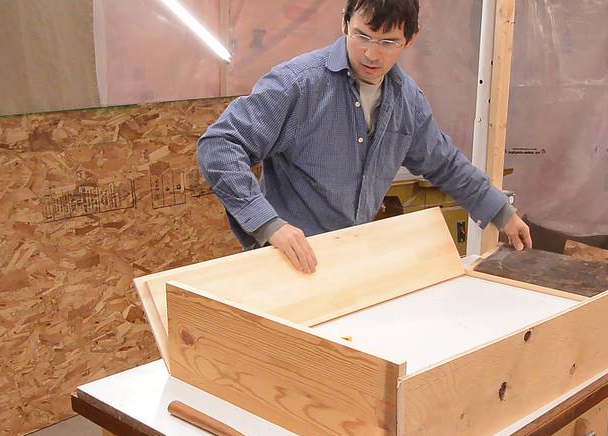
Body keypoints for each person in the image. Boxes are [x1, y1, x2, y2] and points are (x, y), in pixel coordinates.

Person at [198, 0, 531, 278]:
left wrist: (501, 212)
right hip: (285, 265)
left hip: (350, 263)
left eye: (388, 42)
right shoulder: (298, 84)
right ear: (344, 23)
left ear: (410, 39)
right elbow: (220, 145)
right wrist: (269, 225)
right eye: (362, 36)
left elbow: (444, 162)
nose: (371, 54)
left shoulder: (406, 100)